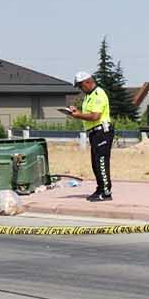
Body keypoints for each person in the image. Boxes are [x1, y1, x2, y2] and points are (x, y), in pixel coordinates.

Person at [62, 71, 112, 202]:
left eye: (80, 86)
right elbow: (88, 114)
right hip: (94, 132)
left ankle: (106, 192)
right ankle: (100, 188)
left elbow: (95, 116)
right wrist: (75, 111)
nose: (80, 89)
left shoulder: (98, 94)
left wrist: (78, 115)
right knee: (95, 163)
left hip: (102, 131)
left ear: (88, 82)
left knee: (101, 162)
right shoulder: (88, 96)